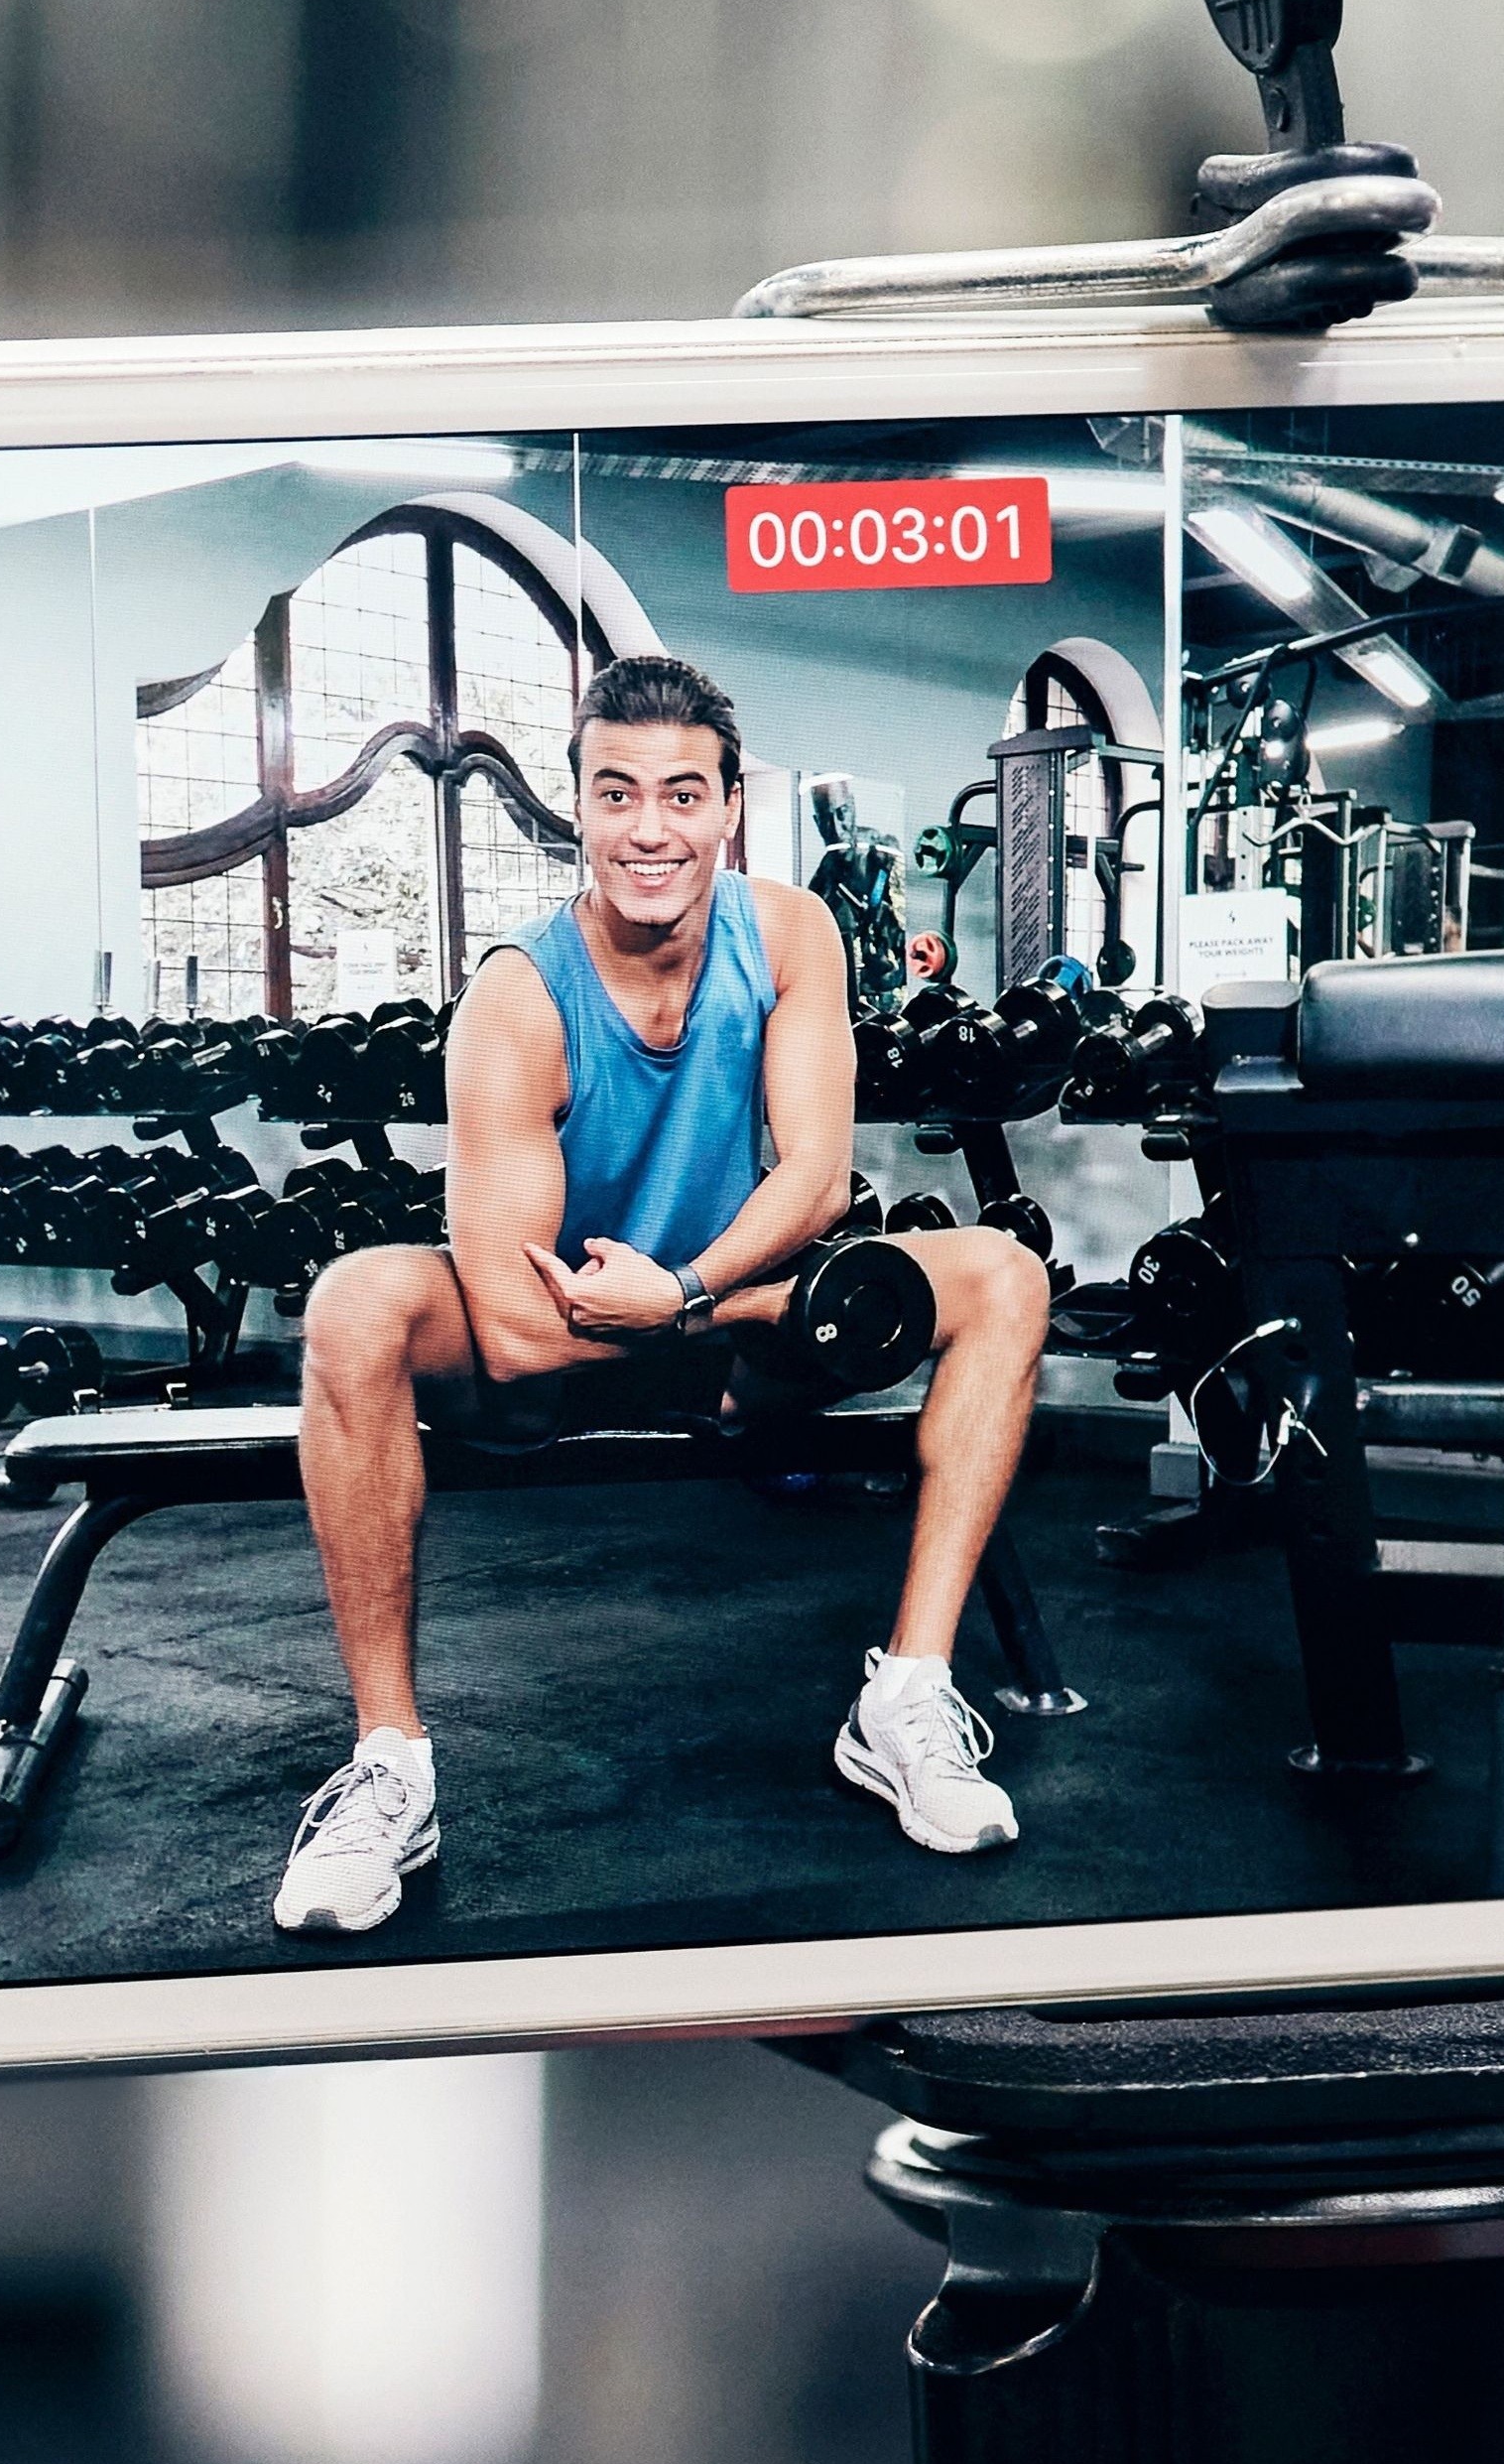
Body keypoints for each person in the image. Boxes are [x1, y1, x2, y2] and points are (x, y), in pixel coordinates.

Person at [266, 654, 1062, 1941]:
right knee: (355, 1302)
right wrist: (696, 1308)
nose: (649, 828)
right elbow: (521, 1342)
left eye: (682, 794)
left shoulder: (789, 930)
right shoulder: (517, 1000)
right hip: (554, 1355)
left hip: (718, 1324)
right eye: (615, 792)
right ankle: (387, 1766)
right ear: (575, 809)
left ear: (731, 806)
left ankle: (905, 1695)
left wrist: (686, 1294)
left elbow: (812, 1177)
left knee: (1001, 1278)